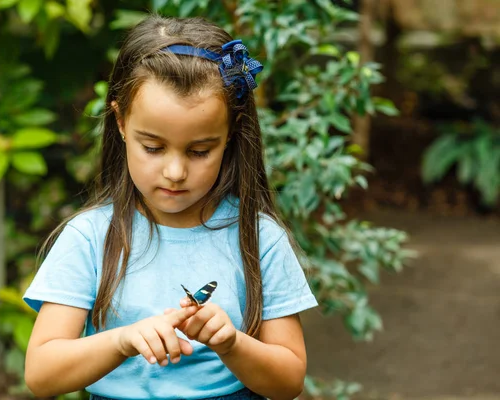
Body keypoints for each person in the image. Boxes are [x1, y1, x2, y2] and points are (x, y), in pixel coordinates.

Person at [23, 14, 318, 400]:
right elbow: (42, 375)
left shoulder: (259, 238)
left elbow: (288, 381)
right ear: (121, 122)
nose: (175, 172)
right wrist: (123, 341)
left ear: (230, 134)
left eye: (200, 151)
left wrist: (233, 344)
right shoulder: (90, 238)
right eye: (153, 147)